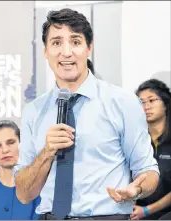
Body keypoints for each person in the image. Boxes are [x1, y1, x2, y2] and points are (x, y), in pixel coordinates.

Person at [14, 8, 160, 220]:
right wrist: (46, 152)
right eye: (56, 42)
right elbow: (24, 194)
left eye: (75, 41)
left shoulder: (123, 102)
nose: (66, 52)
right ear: (45, 51)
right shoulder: (33, 111)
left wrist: (136, 190)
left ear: (89, 48)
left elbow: (148, 171)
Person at [132, 79, 171, 220]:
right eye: (141, 102)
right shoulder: (135, 140)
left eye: (151, 100)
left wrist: (147, 210)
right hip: (139, 211)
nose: (146, 106)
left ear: (165, 104)